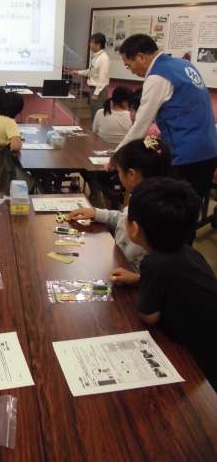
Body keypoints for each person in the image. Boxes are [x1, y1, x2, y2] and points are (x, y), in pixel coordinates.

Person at [122, 177, 217, 390]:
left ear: (134, 228)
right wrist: (139, 279)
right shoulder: (190, 253)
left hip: (197, 361)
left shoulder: (153, 263)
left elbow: (149, 317)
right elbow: (178, 282)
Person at [117, 34, 217, 199]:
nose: (132, 71)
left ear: (141, 57)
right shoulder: (183, 64)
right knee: (192, 203)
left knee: (175, 206)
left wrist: (118, 155)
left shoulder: (157, 76)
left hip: (186, 152)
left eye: (129, 66)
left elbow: (141, 124)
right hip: (209, 148)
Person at [69, 136, 171, 280]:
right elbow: (123, 218)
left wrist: (137, 278)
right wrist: (96, 213)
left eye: (118, 171)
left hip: (135, 278)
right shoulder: (147, 196)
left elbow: (165, 270)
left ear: (131, 175)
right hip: (123, 265)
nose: (118, 176)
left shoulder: (154, 210)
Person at [73, 32, 110, 119]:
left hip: (99, 90)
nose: (90, 44)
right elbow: (90, 71)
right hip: (93, 89)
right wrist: (78, 72)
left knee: (98, 115)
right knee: (94, 114)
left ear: (98, 45)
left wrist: (96, 93)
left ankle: (96, 128)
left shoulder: (103, 58)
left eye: (92, 42)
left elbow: (103, 78)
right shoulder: (96, 56)